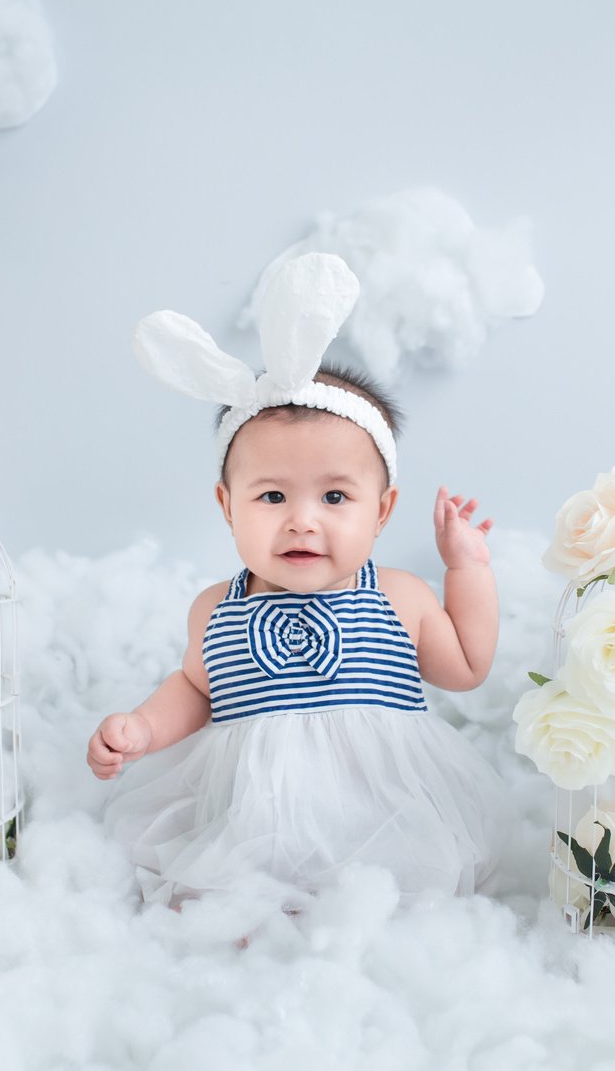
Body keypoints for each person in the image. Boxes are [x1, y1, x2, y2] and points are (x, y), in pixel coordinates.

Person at [88, 252, 514, 911]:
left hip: (381, 810)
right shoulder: (215, 609)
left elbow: (466, 666)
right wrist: (142, 729)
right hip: (259, 815)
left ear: (384, 510)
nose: (302, 522)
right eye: (272, 496)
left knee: (405, 885)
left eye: (336, 497)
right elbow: (196, 690)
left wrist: (468, 569)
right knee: (223, 889)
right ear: (228, 506)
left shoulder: (398, 595)